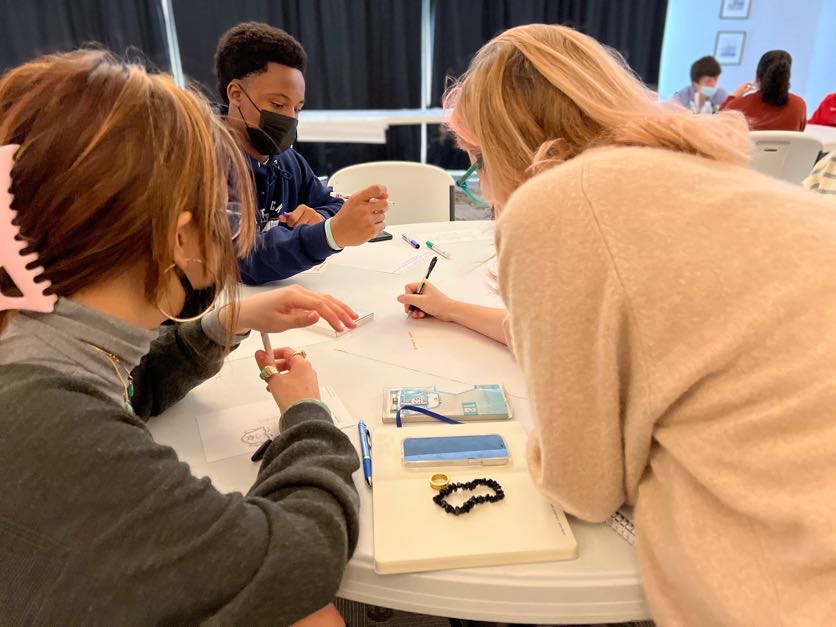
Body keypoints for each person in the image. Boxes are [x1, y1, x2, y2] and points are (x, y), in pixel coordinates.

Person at [443, 24, 836, 625]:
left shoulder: (557, 201)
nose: (481, 181)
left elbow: (582, 486)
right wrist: (449, 308)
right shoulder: (689, 172)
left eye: (474, 158)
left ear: (504, 142)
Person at [0, 50, 362, 625]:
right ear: (184, 237)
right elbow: (301, 556)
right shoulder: (46, 420)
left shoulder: (35, 336)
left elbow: (130, 391)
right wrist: (309, 416)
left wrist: (223, 322)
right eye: (226, 217)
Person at [215, 22, 389, 284]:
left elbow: (330, 203)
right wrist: (329, 235)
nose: (289, 118)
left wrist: (320, 218)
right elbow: (239, 260)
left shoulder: (286, 161)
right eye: (277, 104)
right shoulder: (204, 162)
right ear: (236, 94)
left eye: (297, 108)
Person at [720, 50, 807, 130]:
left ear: (757, 76)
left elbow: (717, 124)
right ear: (787, 77)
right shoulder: (799, 106)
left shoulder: (737, 106)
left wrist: (733, 96)